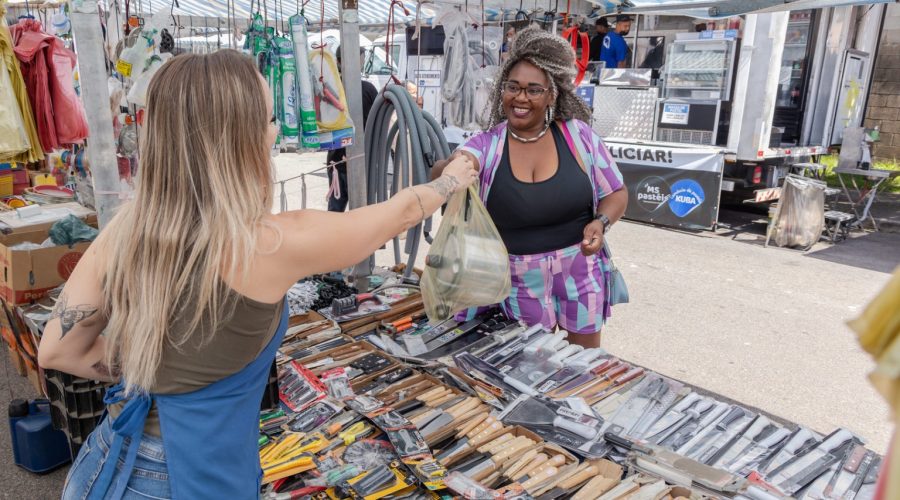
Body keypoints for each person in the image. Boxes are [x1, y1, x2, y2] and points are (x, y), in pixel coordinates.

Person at [38, 49, 476, 499]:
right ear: (240, 140)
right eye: (270, 119)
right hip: (184, 478)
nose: (276, 130)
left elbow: (57, 350)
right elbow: (399, 213)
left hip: (105, 463)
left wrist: (153, 369)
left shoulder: (127, 228)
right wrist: (452, 178)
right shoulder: (269, 244)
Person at [432, 27, 628, 348]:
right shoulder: (488, 144)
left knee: (585, 361)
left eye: (534, 90)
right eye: (513, 87)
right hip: (519, 279)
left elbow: (616, 193)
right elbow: (460, 162)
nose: (521, 97)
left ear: (552, 94)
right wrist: (452, 167)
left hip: (580, 269)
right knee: (531, 363)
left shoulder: (579, 137)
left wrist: (601, 222)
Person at [327, 45, 379, 212]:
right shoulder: (367, 89)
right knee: (361, 213)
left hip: (339, 162)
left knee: (335, 213)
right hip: (356, 162)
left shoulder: (330, 90)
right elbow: (379, 125)